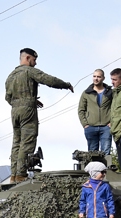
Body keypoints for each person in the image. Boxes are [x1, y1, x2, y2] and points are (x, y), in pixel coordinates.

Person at [5, 48, 74, 183]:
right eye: (34, 60)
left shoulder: (10, 76)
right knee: (27, 142)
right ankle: (21, 174)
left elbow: (8, 97)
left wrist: (26, 100)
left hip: (14, 111)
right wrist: (66, 85)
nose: (35, 63)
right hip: (27, 112)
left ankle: (13, 175)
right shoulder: (29, 71)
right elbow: (49, 80)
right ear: (28, 58)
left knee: (16, 143)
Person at [78, 69, 113, 155]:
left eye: (98, 76)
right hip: (91, 127)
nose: (96, 79)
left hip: (106, 127)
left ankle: (105, 169)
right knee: (92, 155)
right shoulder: (86, 93)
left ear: (103, 78)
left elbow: (115, 108)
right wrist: (85, 124)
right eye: (94, 76)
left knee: (106, 154)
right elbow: (81, 109)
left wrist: (112, 122)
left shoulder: (110, 92)